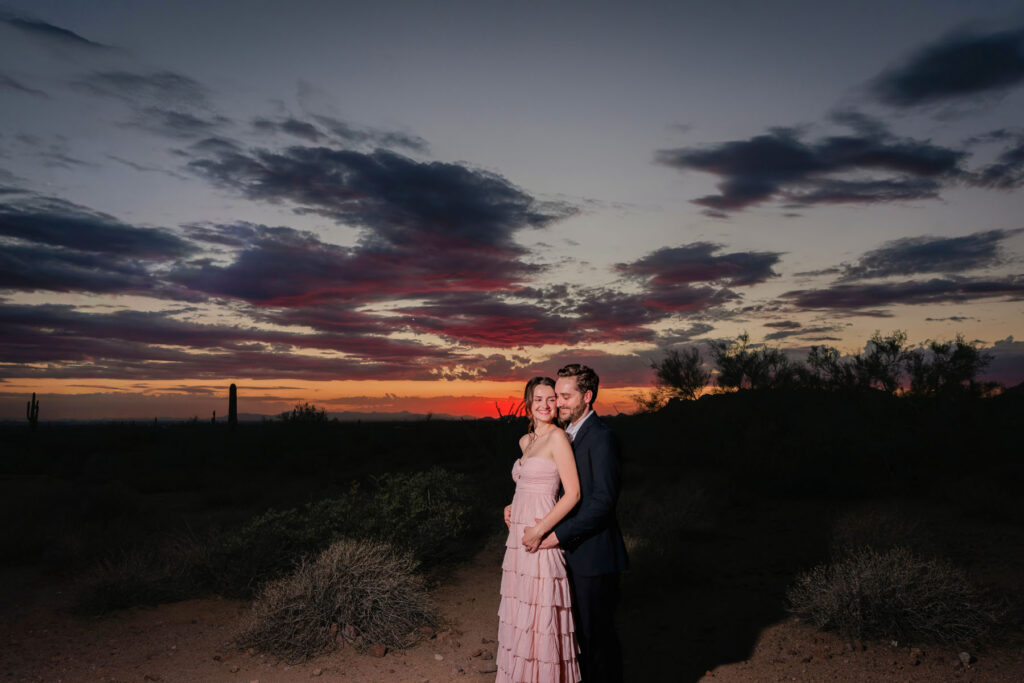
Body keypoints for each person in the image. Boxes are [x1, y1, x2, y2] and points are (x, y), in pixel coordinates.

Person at [523, 364, 629, 683]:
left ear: (588, 396)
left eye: (566, 397)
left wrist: (557, 535)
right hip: (569, 555)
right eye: (558, 396)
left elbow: (602, 504)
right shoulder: (565, 434)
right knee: (575, 640)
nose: (560, 403)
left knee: (596, 640)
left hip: (594, 558)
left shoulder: (601, 438)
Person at [497, 376, 582, 683]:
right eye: (538, 400)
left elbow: (572, 494)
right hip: (517, 539)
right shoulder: (526, 441)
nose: (546, 405)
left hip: (539, 537)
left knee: (542, 615)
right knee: (521, 615)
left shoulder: (558, 438)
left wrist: (539, 531)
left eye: (551, 399)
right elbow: (531, 486)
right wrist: (511, 505)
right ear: (528, 405)